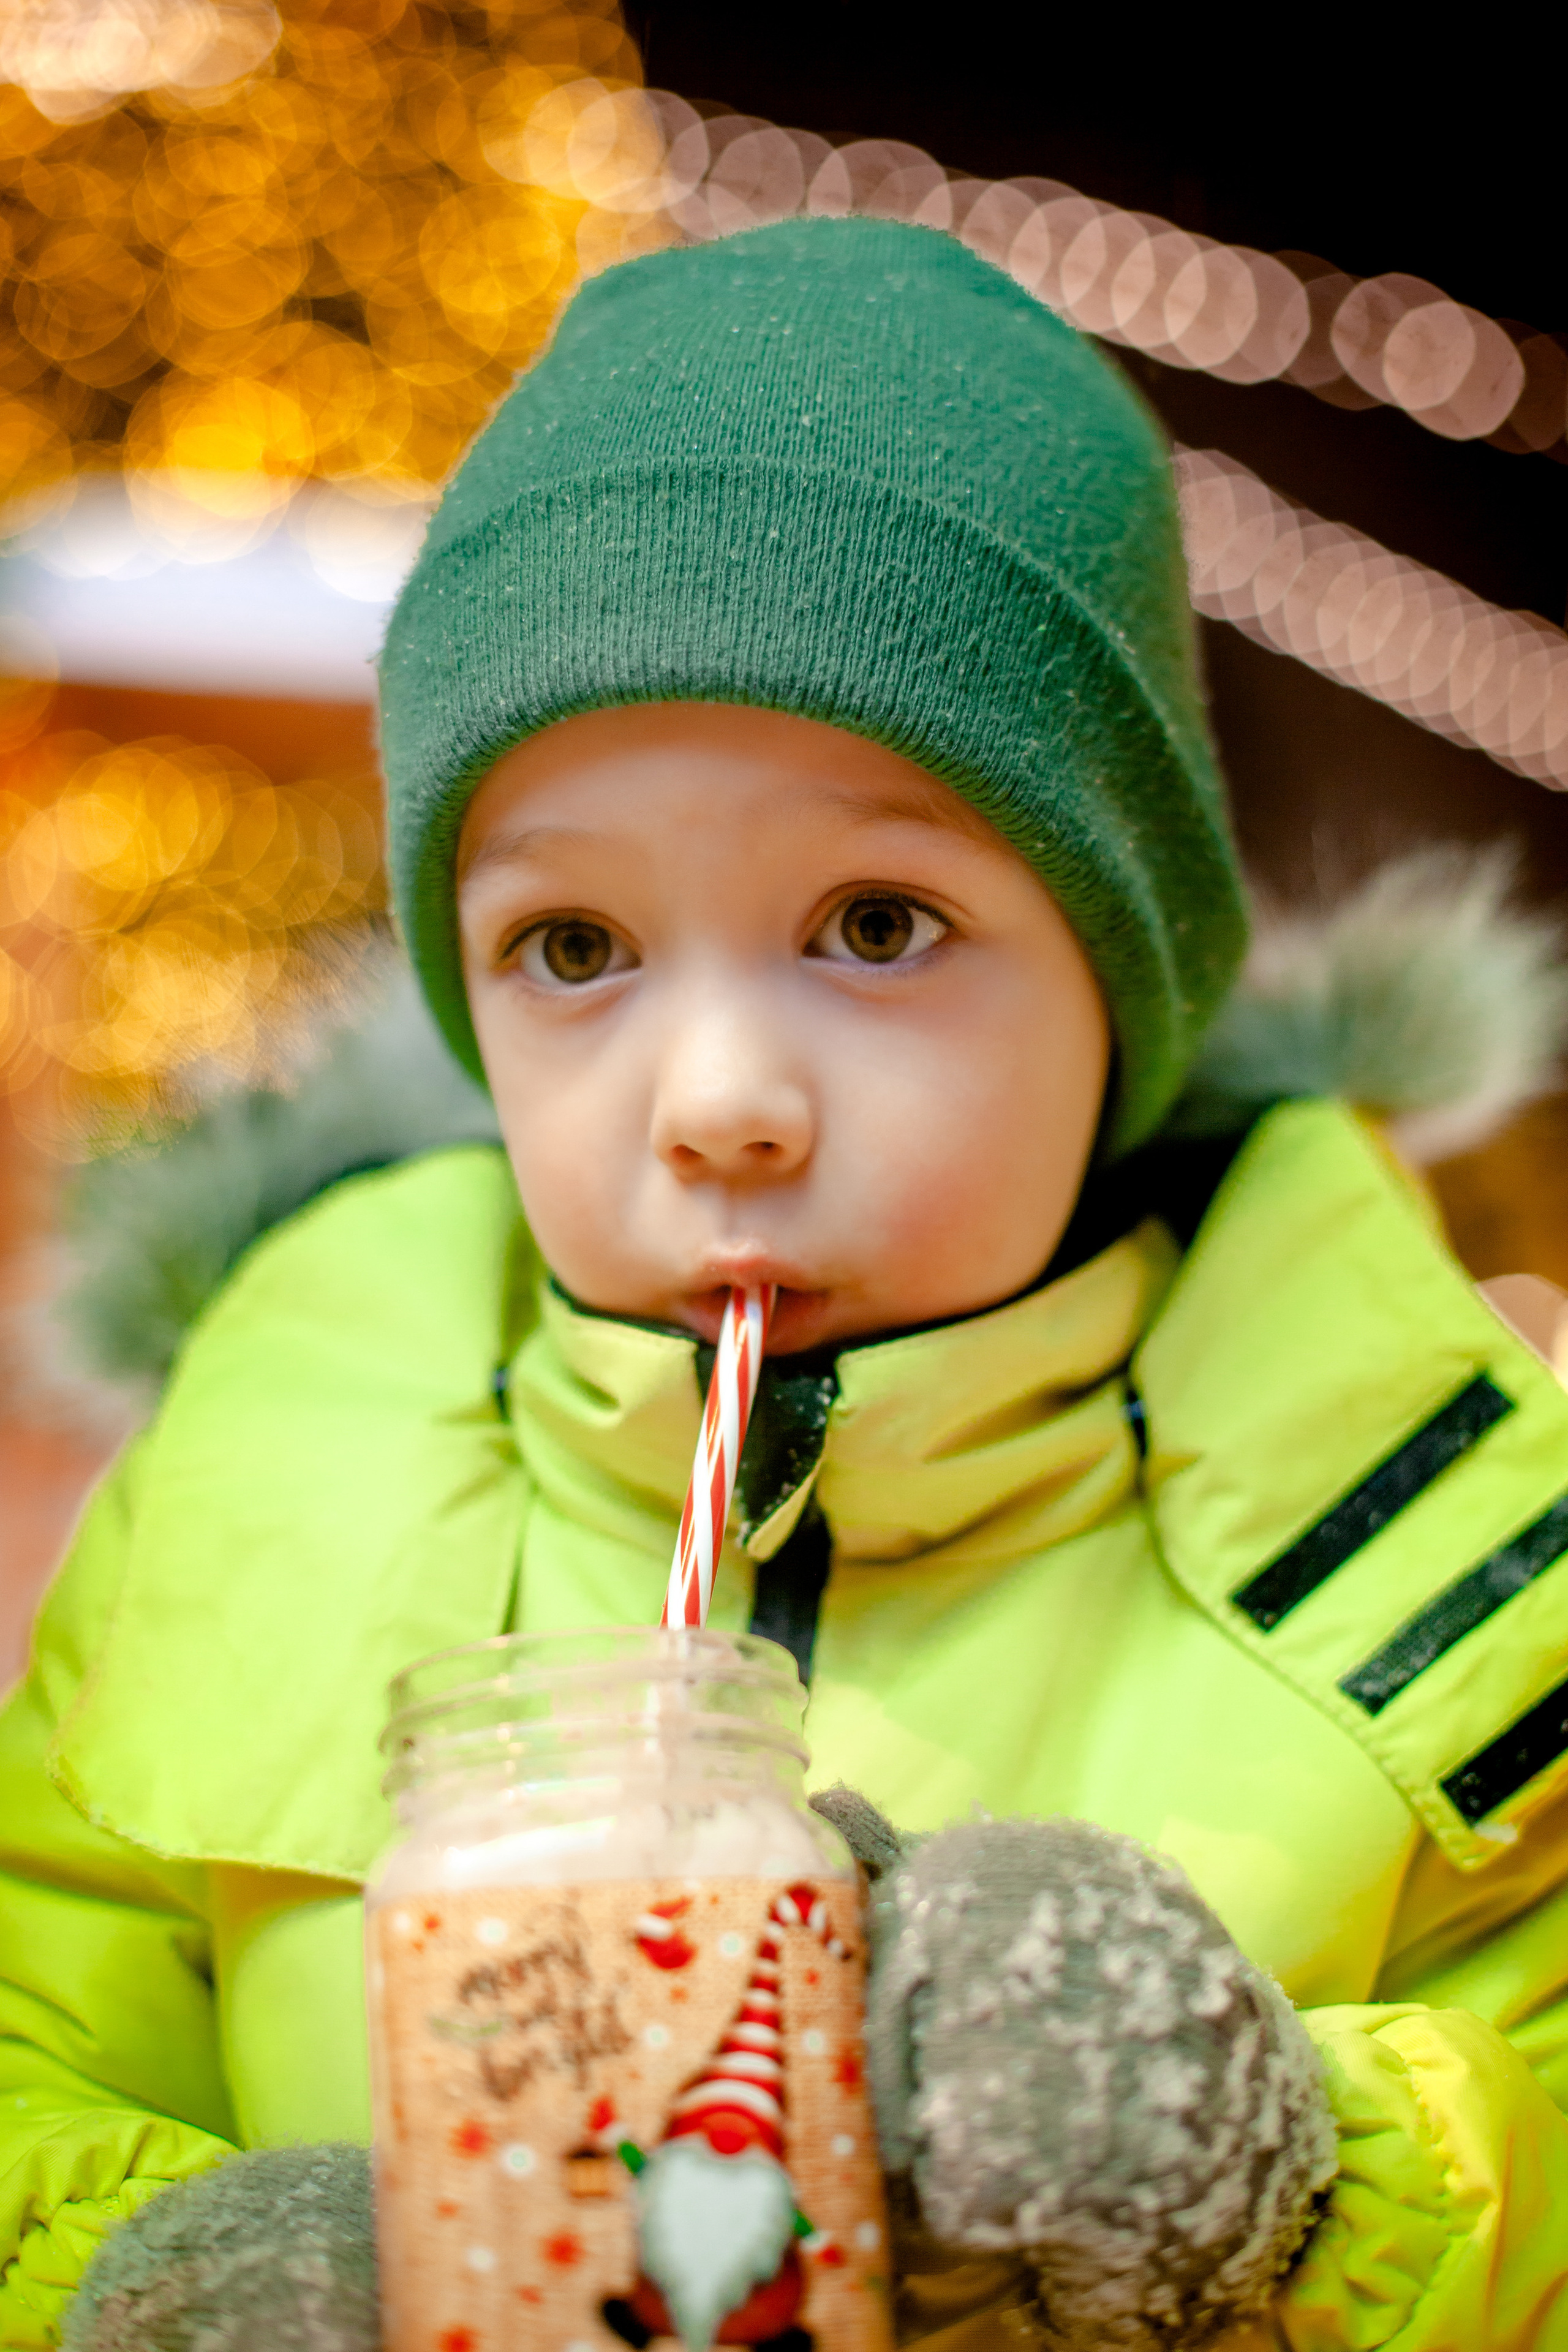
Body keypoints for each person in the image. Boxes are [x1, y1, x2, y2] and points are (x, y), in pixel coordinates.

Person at [5, 216, 1568, 2352]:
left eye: (877, 924)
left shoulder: (1432, 1522)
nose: (722, 1099)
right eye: (574, 949)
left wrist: (1294, 2176)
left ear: (1124, 979)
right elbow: (34, 2027)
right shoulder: (268, 1475)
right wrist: (147, 2272)